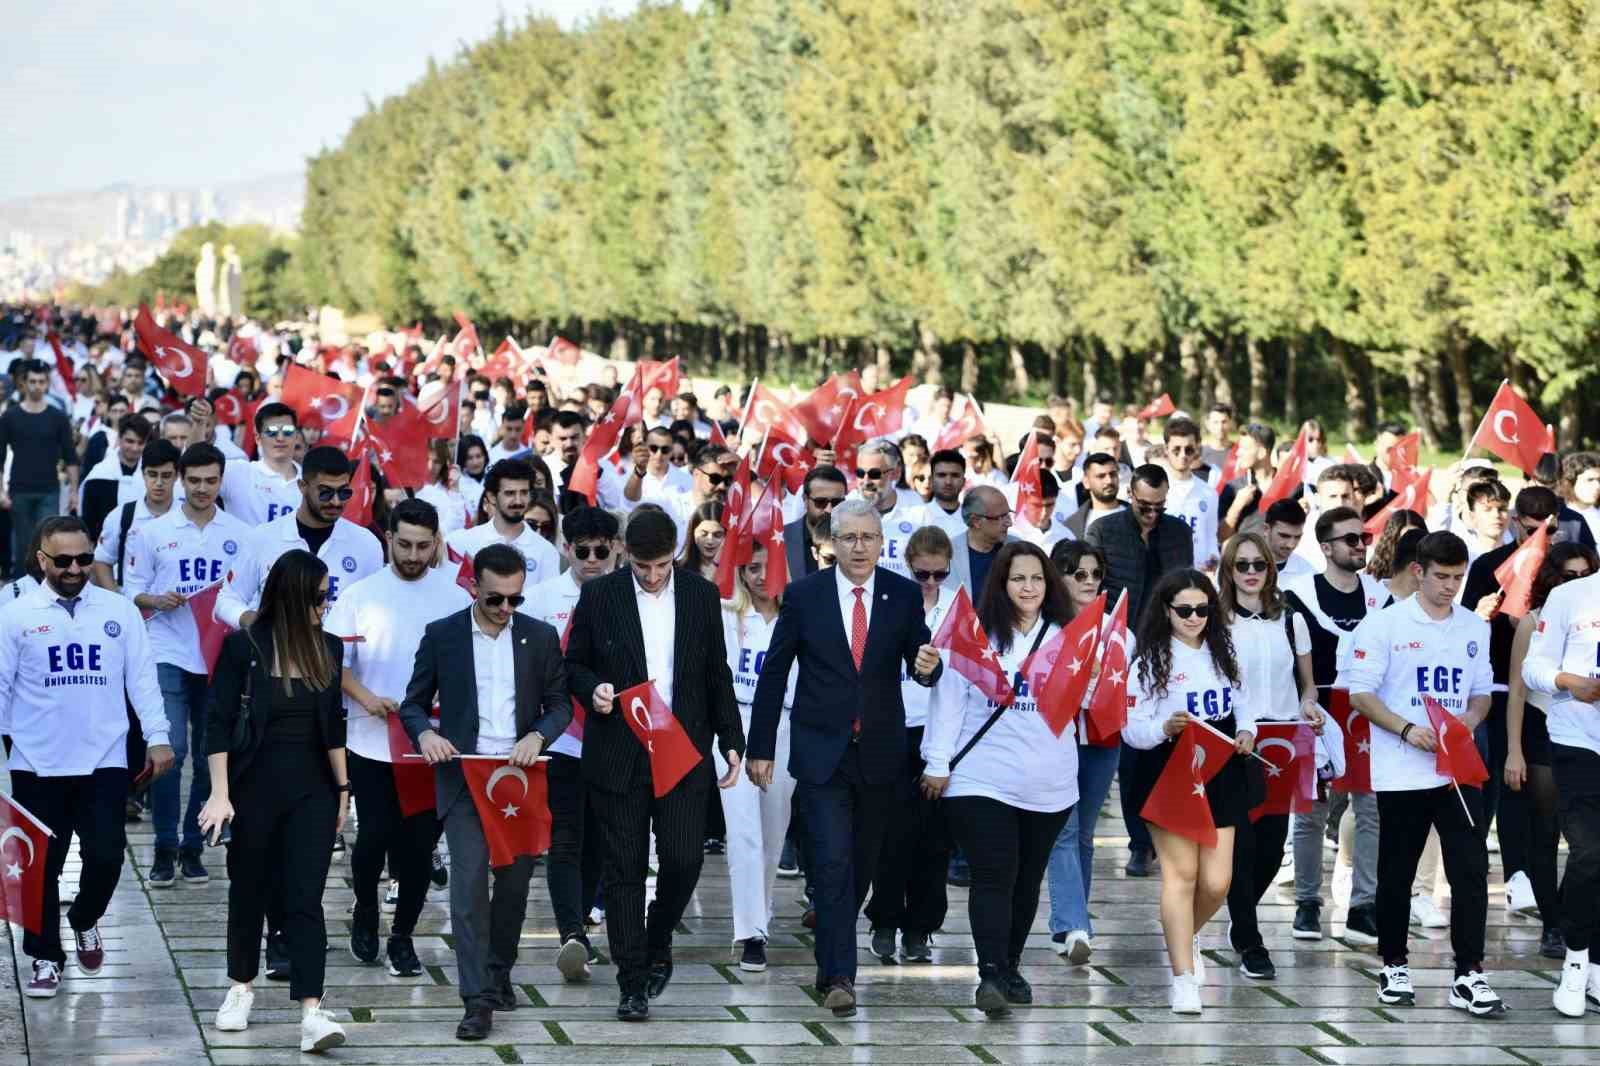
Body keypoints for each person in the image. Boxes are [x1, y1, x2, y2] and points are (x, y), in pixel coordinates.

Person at [746, 498, 940, 1018]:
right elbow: (775, 672)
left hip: (880, 754)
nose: (859, 547)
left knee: (861, 868)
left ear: (882, 543)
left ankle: (831, 946)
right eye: (849, 538)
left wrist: (929, 666)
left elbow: (920, 664)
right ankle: (839, 975)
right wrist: (760, 747)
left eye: (868, 538)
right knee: (832, 863)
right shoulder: (805, 595)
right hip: (820, 753)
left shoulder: (902, 594)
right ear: (832, 543)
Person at [565, 508, 745, 1021]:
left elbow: (716, 672)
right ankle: (632, 979)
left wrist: (732, 739)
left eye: (660, 565)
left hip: (681, 746)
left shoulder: (700, 595)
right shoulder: (600, 595)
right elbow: (574, 663)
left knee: (686, 858)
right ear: (625, 553)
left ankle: (659, 933)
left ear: (674, 555)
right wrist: (592, 689)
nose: (651, 575)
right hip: (618, 748)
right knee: (622, 869)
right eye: (642, 566)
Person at [398, 542, 572, 1040]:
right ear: (474, 586)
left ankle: (498, 971)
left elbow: (560, 703)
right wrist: (426, 734)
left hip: (520, 777)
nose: (505, 610)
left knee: (515, 887)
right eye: (495, 599)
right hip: (464, 776)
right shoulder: (443, 635)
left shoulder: (539, 637)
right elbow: (413, 704)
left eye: (515, 599)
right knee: (468, 886)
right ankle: (476, 999)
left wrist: (539, 735)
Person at [0, 515, 172, 999]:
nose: (75, 568)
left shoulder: (118, 612)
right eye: (63, 560)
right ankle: (44, 957)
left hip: (104, 759)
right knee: (42, 867)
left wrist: (158, 736)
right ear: (41, 559)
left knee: (107, 856)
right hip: (37, 762)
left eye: (83, 558)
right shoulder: (14, 614)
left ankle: (84, 919)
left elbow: (142, 680)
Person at [1342, 531, 1503, 1015]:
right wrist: (1407, 728)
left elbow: (1482, 692)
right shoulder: (1384, 625)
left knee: (1471, 869)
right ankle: (1394, 964)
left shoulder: (1475, 627)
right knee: (1397, 871)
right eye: (1442, 577)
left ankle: (1469, 973)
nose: (1451, 587)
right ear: (1419, 571)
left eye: (1458, 578)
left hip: (1456, 769)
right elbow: (1361, 694)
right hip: (1403, 769)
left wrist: (1469, 723)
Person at [198, 550, 350, 1052]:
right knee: (250, 889)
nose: (326, 605)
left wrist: (344, 791)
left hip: (313, 791)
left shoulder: (328, 647)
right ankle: (240, 988)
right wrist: (220, 794)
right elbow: (217, 722)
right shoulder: (244, 648)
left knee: (306, 898)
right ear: (294, 596)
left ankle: (312, 1010)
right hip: (253, 786)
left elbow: (333, 724)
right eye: (319, 596)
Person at [922, 541, 1077, 1016]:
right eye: (1017, 578)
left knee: (1028, 879)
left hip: (1048, 779)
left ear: (1047, 583)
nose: (1027, 587)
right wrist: (937, 762)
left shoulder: (1070, 636)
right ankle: (989, 974)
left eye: (1035, 578)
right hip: (981, 776)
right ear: (1001, 584)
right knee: (995, 872)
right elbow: (949, 700)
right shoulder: (975, 634)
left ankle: (1010, 966)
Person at [323, 499, 471, 978]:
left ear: (436, 544)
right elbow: (333, 664)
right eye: (404, 544)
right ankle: (365, 908)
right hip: (371, 740)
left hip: (431, 742)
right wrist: (365, 697)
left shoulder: (454, 597)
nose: (413, 555)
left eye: (423, 546)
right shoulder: (360, 595)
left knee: (419, 844)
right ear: (388, 538)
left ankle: (403, 935)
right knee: (373, 839)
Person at [1122, 568, 1252, 1015]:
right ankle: (1182, 978)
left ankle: (1183, 936)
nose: (1194, 617)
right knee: (1183, 876)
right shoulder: (1149, 661)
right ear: (1166, 611)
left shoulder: (1224, 652)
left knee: (1218, 881)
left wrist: (1248, 731)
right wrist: (1164, 727)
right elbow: (1132, 729)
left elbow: (1244, 703)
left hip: (1222, 767)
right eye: (1185, 610)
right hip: (1170, 769)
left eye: (1202, 608)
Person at [124, 443, 252, 887]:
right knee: (170, 750)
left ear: (221, 481)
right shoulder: (153, 531)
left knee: (207, 754)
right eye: (193, 480)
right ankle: (163, 847)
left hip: (217, 656)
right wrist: (156, 599)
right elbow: (131, 591)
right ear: (181, 479)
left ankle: (193, 846)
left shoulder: (240, 532)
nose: (201, 489)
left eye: (210, 481)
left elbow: (248, 596)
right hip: (168, 651)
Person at [1218, 532, 1322, 981]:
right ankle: (1249, 938)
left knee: (1273, 847)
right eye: (1241, 565)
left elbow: (1308, 683)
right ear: (1229, 570)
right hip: (1234, 742)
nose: (1251, 573)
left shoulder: (1291, 618)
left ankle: (1240, 916)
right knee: (1241, 844)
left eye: (1258, 564)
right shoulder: (1215, 618)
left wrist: (1309, 705)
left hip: (1283, 740)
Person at [1281, 505, 1386, 943]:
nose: (1361, 544)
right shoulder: (1296, 594)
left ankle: (1363, 905)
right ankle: (1308, 902)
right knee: (1309, 810)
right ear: (1326, 547)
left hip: (1365, 710)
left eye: (1363, 537)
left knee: (1371, 810)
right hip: (1314, 709)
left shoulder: (1380, 596)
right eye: (1350, 539)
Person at [524, 505, 620, 980]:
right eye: (582, 551)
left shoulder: (631, 597)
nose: (593, 560)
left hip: (613, 736)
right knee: (565, 837)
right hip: (559, 736)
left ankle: (582, 922)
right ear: (566, 549)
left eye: (603, 551)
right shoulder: (541, 598)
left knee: (599, 844)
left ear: (617, 550)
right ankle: (570, 933)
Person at [1088, 463, 1194, 877]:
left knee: (1168, 747)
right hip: (1121, 650)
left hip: (1168, 647)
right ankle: (1138, 842)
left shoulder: (1179, 532)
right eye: (1144, 506)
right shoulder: (1104, 531)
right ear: (1130, 495)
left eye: (1159, 506)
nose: (1152, 513)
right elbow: (1093, 588)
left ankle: (1165, 833)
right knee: (1131, 752)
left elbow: (1185, 584)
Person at [866, 526, 956, 964]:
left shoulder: (959, 611)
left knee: (935, 838)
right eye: (924, 574)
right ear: (908, 564)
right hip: (893, 728)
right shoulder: (892, 601)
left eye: (941, 574)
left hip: (938, 732)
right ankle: (884, 919)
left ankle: (921, 926)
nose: (932, 583)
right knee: (889, 834)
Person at [1506, 542, 1597, 963]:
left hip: (1581, 730)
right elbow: (1519, 689)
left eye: (1585, 573)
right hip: (1545, 730)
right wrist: (1513, 751)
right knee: (1547, 833)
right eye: (1568, 575)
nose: (1577, 581)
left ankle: (1569, 915)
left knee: (1585, 846)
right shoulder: (1540, 618)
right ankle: (1552, 922)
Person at [718, 541, 798, 972]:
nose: (761, 577)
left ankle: (760, 915)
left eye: (769, 568)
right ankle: (749, 932)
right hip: (736, 725)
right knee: (743, 830)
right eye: (751, 569)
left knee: (772, 830)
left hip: (785, 726)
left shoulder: (798, 617)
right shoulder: (730, 616)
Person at [1043, 540, 1124, 964]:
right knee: (1065, 831)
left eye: (1096, 574)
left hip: (1100, 739)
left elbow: (1126, 686)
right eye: (1079, 574)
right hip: (1056, 738)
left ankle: (1067, 924)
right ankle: (1076, 924)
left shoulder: (1116, 627)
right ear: (1060, 577)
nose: (1090, 582)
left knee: (1085, 835)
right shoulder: (1046, 626)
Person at [217, 446, 385, 630]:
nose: (336, 502)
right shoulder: (262, 538)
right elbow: (228, 598)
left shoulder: (367, 544)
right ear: (302, 487)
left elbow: (374, 612)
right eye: (325, 492)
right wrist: (250, 619)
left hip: (339, 656)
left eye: (344, 492)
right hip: (276, 653)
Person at [0, 360, 79, 565]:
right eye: (33, 381)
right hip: (19, 489)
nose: (37, 385)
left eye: (41, 381)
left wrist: (74, 491)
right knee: (23, 546)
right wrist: (1, 491)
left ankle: (46, 591)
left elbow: (71, 456)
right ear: (24, 384)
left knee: (48, 545)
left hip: (49, 489)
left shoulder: (58, 417)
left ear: (47, 383)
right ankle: (22, 593)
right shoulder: (10, 416)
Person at [445, 459, 561, 584]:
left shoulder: (546, 552)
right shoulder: (461, 542)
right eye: (510, 493)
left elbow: (548, 601)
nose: (518, 501)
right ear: (492, 497)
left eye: (524, 493)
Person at [90, 438, 179, 593]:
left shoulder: (187, 516)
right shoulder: (122, 516)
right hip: (132, 607)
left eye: (166, 476)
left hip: (176, 607)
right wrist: (117, 601)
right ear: (143, 474)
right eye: (152, 474)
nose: (158, 482)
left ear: (177, 476)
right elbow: (102, 561)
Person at [220, 401, 303, 525]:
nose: (280, 438)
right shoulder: (237, 472)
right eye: (271, 432)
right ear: (258, 438)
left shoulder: (310, 481)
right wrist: (199, 424)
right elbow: (192, 467)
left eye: (287, 431)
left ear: (296, 436)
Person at [851, 439, 922, 577]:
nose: (866, 481)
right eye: (860, 473)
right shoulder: (846, 507)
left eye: (875, 474)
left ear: (895, 473)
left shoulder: (917, 510)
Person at [79, 413, 150, 539]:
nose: (135, 448)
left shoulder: (151, 475)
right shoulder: (100, 474)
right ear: (119, 438)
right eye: (130, 441)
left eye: (140, 443)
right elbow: (88, 520)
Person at [949, 484, 1018, 598]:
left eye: (1008, 513)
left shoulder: (1018, 549)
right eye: (1000, 517)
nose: (1009, 523)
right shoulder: (948, 555)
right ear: (976, 521)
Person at [785, 466, 848, 580]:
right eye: (820, 502)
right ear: (805, 499)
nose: (829, 510)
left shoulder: (858, 539)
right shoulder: (782, 540)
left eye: (836, 502)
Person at [1061, 452, 1127, 540]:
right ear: (1086, 482)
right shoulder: (1073, 526)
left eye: (1113, 474)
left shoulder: (1137, 514)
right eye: (1101, 476)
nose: (1109, 481)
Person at [915, 449, 969, 538]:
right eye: (941, 475)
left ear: (963, 481)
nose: (948, 482)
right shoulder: (917, 518)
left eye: (955, 475)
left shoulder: (974, 520)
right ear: (931, 480)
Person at [1263, 499, 1314, 579]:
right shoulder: (1240, 564)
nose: (1291, 545)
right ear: (1266, 529)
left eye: (1297, 537)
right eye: (1284, 536)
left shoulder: (1310, 573)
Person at [677, 500, 726, 580]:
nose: (710, 541)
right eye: (704, 534)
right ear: (693, 532)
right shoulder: (676, 571)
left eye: (717, 535)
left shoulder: (738, 572)